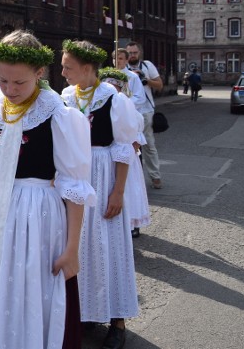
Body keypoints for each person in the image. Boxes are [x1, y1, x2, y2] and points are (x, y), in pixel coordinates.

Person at [0, 31, 94, 349]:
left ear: (39, 73)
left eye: (18, 83)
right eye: (2, 80)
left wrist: (72, 249)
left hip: (34, 223)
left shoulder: (60, 116)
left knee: (24, 295)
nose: (9, 90)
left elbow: (73, 188)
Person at [61, 40, 139, 349]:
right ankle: (86, 311)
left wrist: (118, 192)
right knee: (78, 245)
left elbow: (123, 150)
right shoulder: (65, 97)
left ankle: (117, 321)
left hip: (103, 174)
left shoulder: (113, 99)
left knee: (108, 246)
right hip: (74, 175)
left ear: (87, 68)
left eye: (68, 66)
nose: (62, 71)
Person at [99, 67, 150, 238]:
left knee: (127, 192)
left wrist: (121, 153)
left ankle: (130, 223)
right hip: (106, 160)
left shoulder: (130, 112)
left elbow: (135, 143)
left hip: (124, 161)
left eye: (114, 86)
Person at [126, 41, 164, 189]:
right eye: (129, 53)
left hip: (146, 111)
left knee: (148, 144)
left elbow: (160, 85)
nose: (132, 55)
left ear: (139, 53)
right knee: (130, 146)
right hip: (129, 112)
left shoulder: (147, 66)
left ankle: (155, 176)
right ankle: (135, 178)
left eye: (134, 53)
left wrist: (146, 80)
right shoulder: (122, 69)